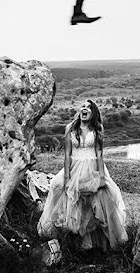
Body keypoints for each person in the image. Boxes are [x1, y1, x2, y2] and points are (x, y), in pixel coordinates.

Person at [37, 100, 128, 251]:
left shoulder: (97, 128)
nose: (84, 109)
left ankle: (95, 244)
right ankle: (74, 244)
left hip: (93, 168)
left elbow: (99, 154)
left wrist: (102, 177)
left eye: (88, 107)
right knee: (62, 190)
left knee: (99, 198)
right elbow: (67, 154)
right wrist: (67, 178)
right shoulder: (71, 128)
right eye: (82, 106)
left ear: (93, 113)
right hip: (75, 167)